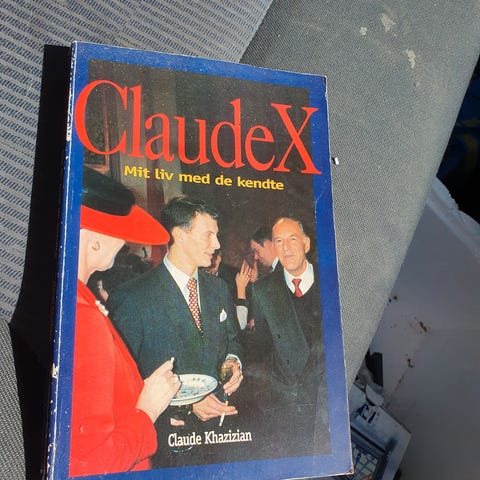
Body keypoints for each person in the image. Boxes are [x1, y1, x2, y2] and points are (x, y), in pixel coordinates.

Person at [108, 195, 243, 461]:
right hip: (168, 443)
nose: (217, 244)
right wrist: (186, 406)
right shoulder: (133, 297)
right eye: (208, 235)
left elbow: (233, 340)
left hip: (220, 437)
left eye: (217, 236)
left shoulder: (218, 288)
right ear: (179, 235)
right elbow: (122, 381)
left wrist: (233, 361)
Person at [70, 167, 181, 476]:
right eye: (119, 233)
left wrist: (147, 403)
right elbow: (90, 463)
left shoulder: (78, 298)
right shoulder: (83, 316)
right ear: (94, 241)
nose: (125, 243)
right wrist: (148, 411)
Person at [250, 216, 330, 457]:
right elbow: (261, 349)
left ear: (306, 243)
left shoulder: (332, 281)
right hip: (283, 408)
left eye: (292, 239)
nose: (285, 248)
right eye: (278, 241)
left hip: (325, 406)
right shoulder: (262, 291)